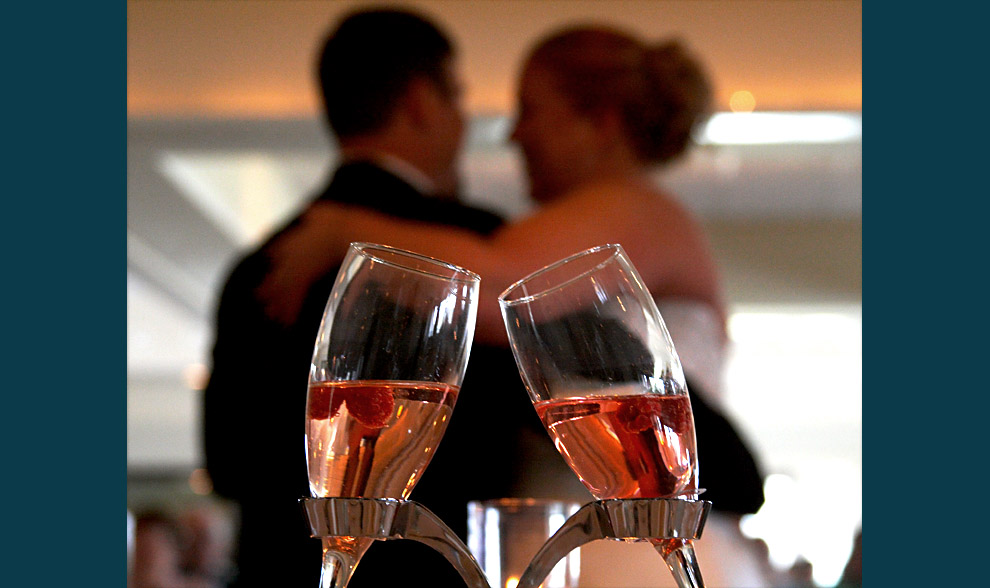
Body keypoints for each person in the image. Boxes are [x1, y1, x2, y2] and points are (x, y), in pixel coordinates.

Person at [264, 25, 766, 517]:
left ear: (601, 123)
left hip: (628, 522)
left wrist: (345, 234)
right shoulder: (633, 211)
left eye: (530, 111)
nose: (513, 133)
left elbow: (495, 293)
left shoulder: (631, 207)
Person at [202, 8, 544, 587]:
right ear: (418, 101)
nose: (463, 120)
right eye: (455, 96)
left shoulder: (255, 271)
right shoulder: (476, 250)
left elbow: (228, 465)